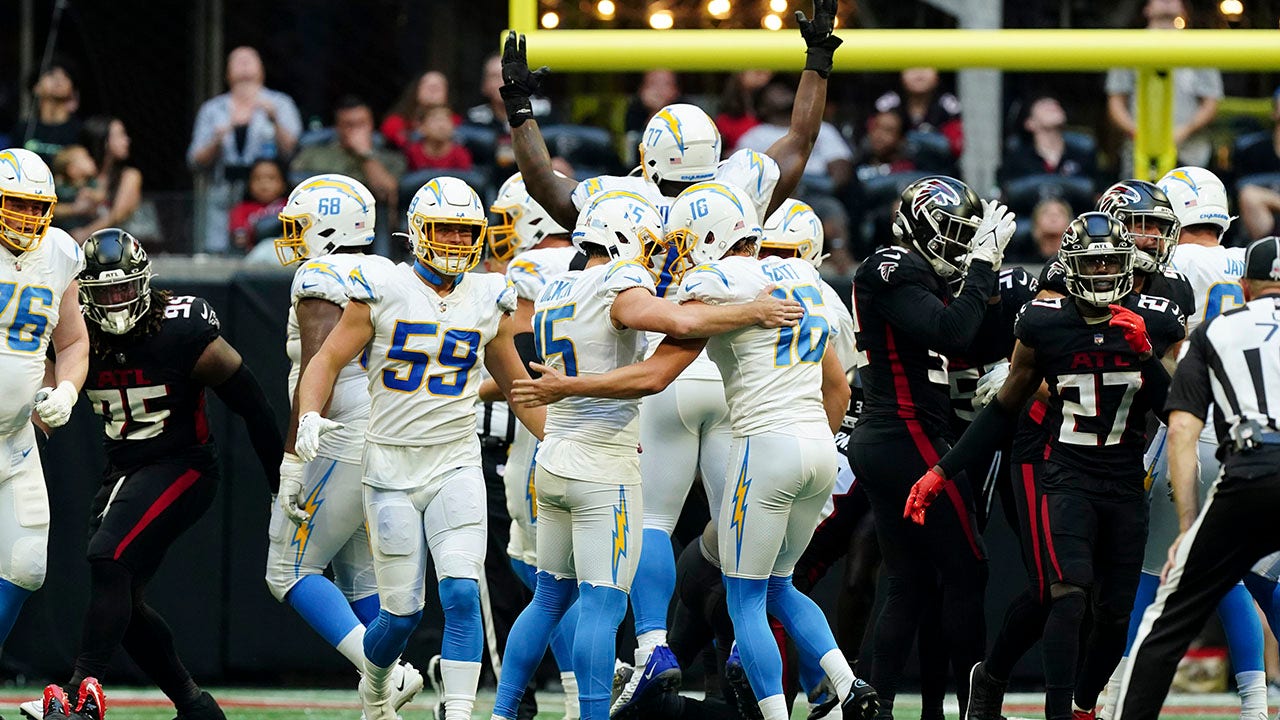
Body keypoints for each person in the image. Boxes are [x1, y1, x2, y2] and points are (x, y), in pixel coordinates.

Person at [499, 1, 843, 706]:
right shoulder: (742, 184)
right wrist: (818, 62)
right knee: (746, 552)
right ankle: (776, 673)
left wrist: (521, 113)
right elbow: (801, 140)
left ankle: (654, 643)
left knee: (653, 521)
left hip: (661, 369)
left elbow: (546, 188)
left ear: (648, 156)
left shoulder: (617, 198)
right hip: (737, 375)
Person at [508, 181, 876, 720]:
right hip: (819, 446)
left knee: (735, 587)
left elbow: (662, 362)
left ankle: (663, 651)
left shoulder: (708, 279)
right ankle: (845, 686)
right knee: (782, 584)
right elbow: (838, 387)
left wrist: (569, 386)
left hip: (753, 440)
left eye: (684, 240)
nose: (674, 252)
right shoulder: (807, 278)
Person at [293, 176, 545, 720]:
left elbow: (517, 384)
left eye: (464, 231)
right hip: (390, 466)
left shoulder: (487, 296)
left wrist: (559, 438)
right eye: (444, 230)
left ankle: (457, 712)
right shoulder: (381, 288)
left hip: (455, 459)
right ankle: (376, 682)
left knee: (459, 592)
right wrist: (309, 414)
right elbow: (327, 360)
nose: (455, 242)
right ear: (417, 231)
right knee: (401, 615)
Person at [925, 213, 1185, 720]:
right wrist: (942, 471)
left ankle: (1084, 705)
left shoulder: (1157, 319)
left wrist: (1146, 354)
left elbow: (1175, 408)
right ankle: (1054, 711)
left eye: (1113, 260)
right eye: (1093, 262)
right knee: (1063, 595)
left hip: (1125, 477)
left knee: (1112, 616)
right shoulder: (1043, 319)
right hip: (1059, 464)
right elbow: (1006, 406)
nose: (1105, 270)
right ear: (1068, 268)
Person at [29, 228, 283, 720]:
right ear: (84, 296)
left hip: (182, 464)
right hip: (121, 468)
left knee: (108, 559)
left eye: (126, 289)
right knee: (121, 599)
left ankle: (82, 691)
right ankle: (195, 706)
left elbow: (253, 404)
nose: (119, 304)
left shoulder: (179, 327)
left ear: (145, 283)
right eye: (106, 294)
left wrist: (281, 481)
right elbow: (38, 401)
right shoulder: (77, 334)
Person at [1099, 166, 1267, 720]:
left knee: (1161, 570)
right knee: (1255, 571)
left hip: (1193, 420)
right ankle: (1256, 701)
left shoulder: (1173, 263)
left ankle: (1120, 692)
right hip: (1258, 426)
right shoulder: (1252, 261)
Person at [845, 175, 1011, 716]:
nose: (964, 247)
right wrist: (985, 267)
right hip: (905, 432)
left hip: (897, 434)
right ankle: (974, 708)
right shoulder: (892, 267)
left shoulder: (914, 269)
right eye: (957, 235)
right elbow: (952, 332)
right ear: (920, 227)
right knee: (970, 569)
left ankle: (877, 703)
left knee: (910, 580)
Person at [264, 175, 423, 715]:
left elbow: (318, 370)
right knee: (360, 576)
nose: (292, 237)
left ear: (327, 227)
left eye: (300, 225)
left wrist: (290, 463)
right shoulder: (388, 272)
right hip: (394, 432)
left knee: (288, 570)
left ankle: (387, 673)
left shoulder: (321, 273)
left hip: (339, 437)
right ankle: (378, 702)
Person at [0, 148, 89, 709]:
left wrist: (67, 390)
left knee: (28, 564)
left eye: (38, 208)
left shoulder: (58, 252)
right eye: (15, 206)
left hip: (12, 438)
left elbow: (74, 342)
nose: (27, 220)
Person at [187, 46, 302, 253]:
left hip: (267, 200)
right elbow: (195, 160)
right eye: (237, 60)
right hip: (223, 195)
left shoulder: (280, 103)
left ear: (262, 69)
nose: (244, 64)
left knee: (268, 251)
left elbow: (294, 151)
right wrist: (218, 138)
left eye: (250, 59)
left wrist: (274, 119)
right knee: (217, 254)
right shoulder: (213, 109)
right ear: (227, 73)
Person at [1105, 0, 1221, 172]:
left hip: (1190, 153)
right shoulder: (1129, 47)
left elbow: (1211, 102)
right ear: (1146, 8)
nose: (1166, 1)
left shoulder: (1198, 47)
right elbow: (1116, 102)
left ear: (1183, 8)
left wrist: (1184, 131)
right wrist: (1138, 132)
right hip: (1140, 153)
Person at [736, 81, 853, 196]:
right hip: (773, 195)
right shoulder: (754, 136)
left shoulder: (822, 128)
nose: (782, 91)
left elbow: (840, 167)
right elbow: (746, 177)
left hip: (818, 192)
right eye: (775, 90)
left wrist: (827, 186)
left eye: (784, 89)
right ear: (762, 107)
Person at [292, 96, 405, 207]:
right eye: (349, 125)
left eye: (361, 124)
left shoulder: (391, 158)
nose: (356, 131)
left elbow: (386, 195)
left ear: (371, 125)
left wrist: (365, 154)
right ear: (337, 127)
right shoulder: (312, 155)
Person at [73, 116, 143, 243]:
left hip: (118, 246)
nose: (127, 141)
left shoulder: (130, 176)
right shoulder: (83, 173)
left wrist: (85, 233)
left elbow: (118, 214)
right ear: (104, 141)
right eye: (120, 135)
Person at [1000, 96, 1097, 182]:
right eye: (1044, 104)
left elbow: (1098, 194)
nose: (1052, 103)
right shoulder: (1018, 161)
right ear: (1030, 123)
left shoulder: (1082, 157)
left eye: (1056, 104)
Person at [874, 68, 963, 158]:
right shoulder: (888, 103)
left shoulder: (949, 105)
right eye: (911, 66)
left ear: (938, 74)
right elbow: (874, 143)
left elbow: (955, 145)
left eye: (926, 65)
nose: (919, 72)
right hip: (897, 164)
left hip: (939, 167)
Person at [15, 62, 82, 163]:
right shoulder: (22, 129)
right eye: (51, 74)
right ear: (36, 87)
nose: (59, 79)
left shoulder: (80, 131)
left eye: (66, 76)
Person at [1236, 88, 1280, 241]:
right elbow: (1246, 194)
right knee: (1250, 196)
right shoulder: (1252, 150)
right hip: (1267, 234)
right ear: (1274, 112)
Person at [383, 71, 458, 152]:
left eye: (438, 87)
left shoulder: (456, 122)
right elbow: (390, 127)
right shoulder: (399, 119)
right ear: (416, 90)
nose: (433, 91)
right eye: (428, 86)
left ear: (446, 93)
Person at [624, 70, 684, 166]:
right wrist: (653, 111)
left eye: (665, 84)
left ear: (675, 90)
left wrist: (659, 109)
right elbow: (632, 146)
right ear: (642, 90)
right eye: (652, 84)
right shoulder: (635, 108)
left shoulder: (684, 108)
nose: (658, 90)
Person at [228, 158, 288, 251]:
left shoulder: (290, 206)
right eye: (257, 178)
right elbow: (239, 239)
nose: (264, 184)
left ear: (283, 183)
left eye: (271, 178)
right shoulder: (241, 209)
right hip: (253, 257)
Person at [716, 70, 773, 152]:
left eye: (768, 74)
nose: (764, 77)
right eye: (758, 72)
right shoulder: (725, 120)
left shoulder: (770, 103)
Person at [51, 144, 102, 232]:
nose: (91, 160)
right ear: (72, 170)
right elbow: (52, 210)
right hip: (64, 230)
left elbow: (102, 197)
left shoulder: (91, 183)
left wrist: (91, 195)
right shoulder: (61, 187)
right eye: (85, 158)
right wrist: (74, 208)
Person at [405, 105, 473, 171]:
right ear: (422, 127)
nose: (442, 126)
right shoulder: (412, 152)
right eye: (435, 121)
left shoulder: (460, 153)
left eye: (446, 120)